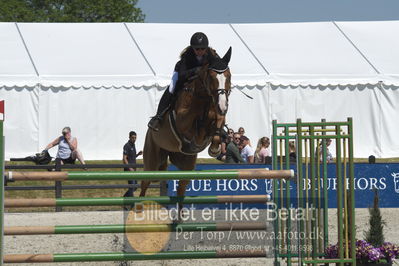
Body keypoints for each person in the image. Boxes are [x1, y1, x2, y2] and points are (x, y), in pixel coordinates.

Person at [148, 32, 216, 131]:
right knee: (171, 88)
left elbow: (218, 65)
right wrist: (197, 70)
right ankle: (158, 117)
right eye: (197, 49)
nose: (200, 51)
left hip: (201, 80)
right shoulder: (187, 56)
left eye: (203, 49)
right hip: (183, 75)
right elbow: (182, 75)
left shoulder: (211, 54)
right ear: (193, 48)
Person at [123, 131, 143, 197]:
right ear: (129, 137)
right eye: (132, 138)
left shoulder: (133, 145)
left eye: (135, 138)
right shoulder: (127, 146)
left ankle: (125, 198)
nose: (134, 139)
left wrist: (138, 154)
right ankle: (130, 203)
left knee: (135, 187)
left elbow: (132, 157)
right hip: (129, 170)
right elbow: (124, 158)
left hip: (134, 169)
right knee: (132, 187)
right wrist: (129, 168)